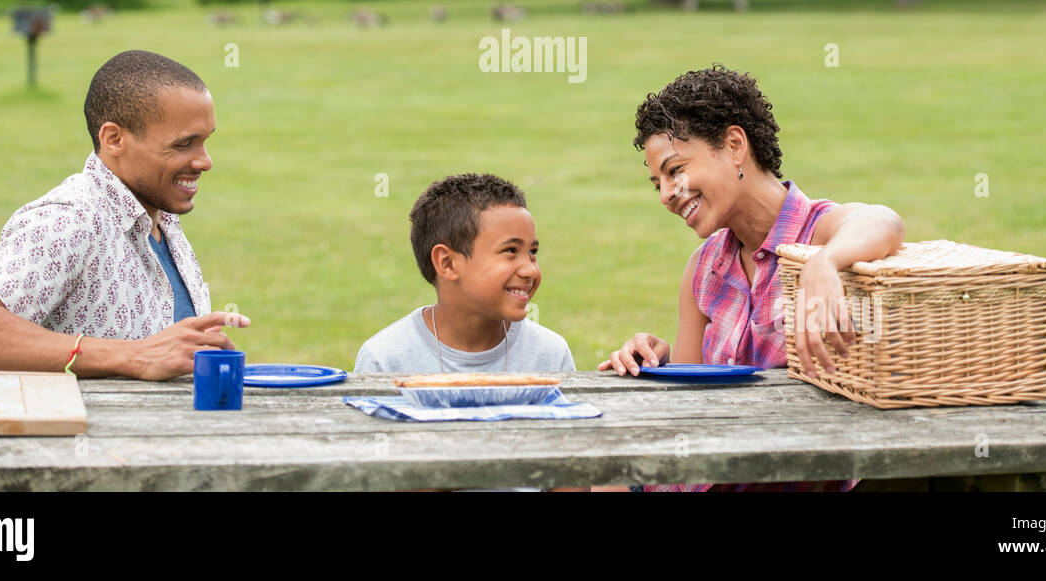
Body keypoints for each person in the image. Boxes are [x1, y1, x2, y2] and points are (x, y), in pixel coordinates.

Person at [598, 64, 905, 492]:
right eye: (657, 184)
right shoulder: (703, 268)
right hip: (708, 478)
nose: (667, 193)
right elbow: (688, 407)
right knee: (596, 476)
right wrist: (657, 360)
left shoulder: (816, 233)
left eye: (675, 170)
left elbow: (884, 221)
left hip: (790, 477)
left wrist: (824, 263)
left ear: (734, 145)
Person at [0, 50, 249, 379]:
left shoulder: (158, 212)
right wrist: (132, 356)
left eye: (205, 141)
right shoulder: (73, 218)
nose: (205, 161)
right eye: (183, 145)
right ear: (114, 139)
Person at [354, 173, 573, 375]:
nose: (530, 270)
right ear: (447, 263)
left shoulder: (550, 355)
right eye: (510, 251)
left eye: (532, 252)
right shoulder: (385, 360)